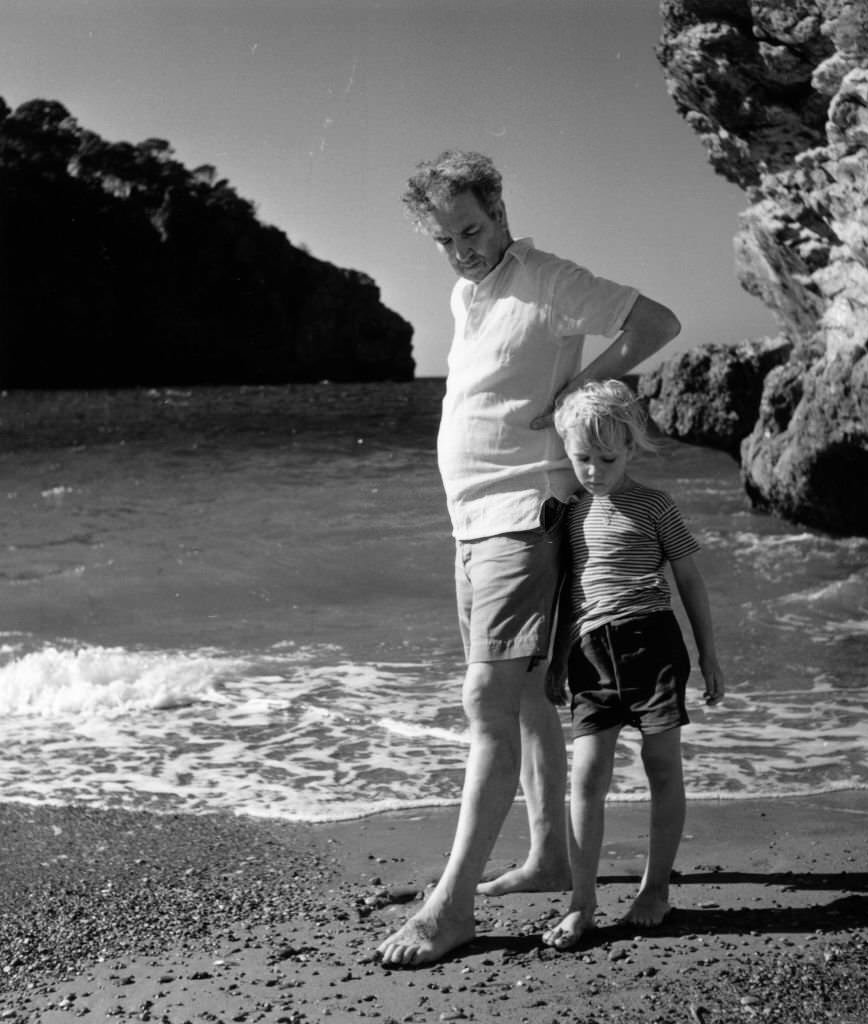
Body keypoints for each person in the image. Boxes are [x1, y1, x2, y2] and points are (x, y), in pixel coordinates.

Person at [377, 151, 681, 967]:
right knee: (525, 697)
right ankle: (549, 856)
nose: (463, 250)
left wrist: (577, 390)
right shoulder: (465, 290)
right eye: (445, 240)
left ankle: (453, 904)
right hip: (472, 521)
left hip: (522, 515)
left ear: (500, 209)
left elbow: (654, 323)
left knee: (487, 696)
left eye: (472, 230)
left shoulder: (548, 278)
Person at [540, 379, 725, 951]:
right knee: (586, 777)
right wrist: (556, 658)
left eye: (607, 458)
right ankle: (582, 902)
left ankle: (655, 888)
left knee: (661, 766)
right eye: (581, 459)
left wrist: (708, 655)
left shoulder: (655, 505)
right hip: (591, 655)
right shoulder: (570, 512)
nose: (593, 470)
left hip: (653, 648)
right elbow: (568, 589)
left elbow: (689, 580)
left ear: (631, 447)